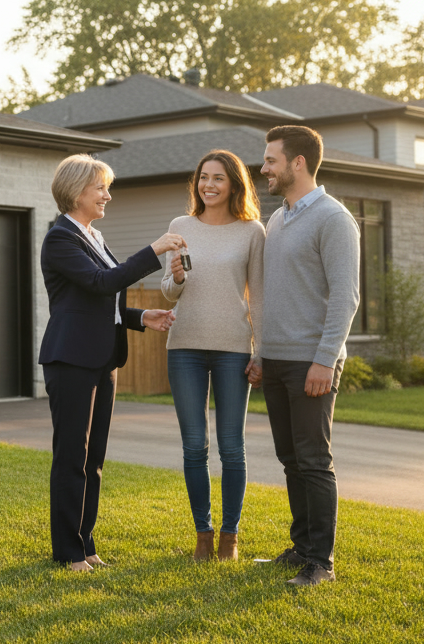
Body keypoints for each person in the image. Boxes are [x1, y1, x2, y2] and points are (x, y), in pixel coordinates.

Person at [39, 154, 184, 572]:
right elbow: (103, 282)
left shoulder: (94, 235)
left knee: (94, 458)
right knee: (72, 456)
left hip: (103, 359)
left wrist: (140, 317)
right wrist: (155, 249)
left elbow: (103, 297)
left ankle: (85, 544)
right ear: (76, 191)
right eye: (100, 187)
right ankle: (67, 552)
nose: (108, 195)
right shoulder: (60, 238)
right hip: (70, 359)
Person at [253, 125, 360, 586]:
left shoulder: (334, 219)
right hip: (274, 360)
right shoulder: (278, 219)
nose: (264, 168)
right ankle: (300, 549)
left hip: (311, 360)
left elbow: (345, 297)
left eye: (271, 160)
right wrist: (260, 351)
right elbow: (270, 293)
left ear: (298, 162)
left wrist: (324, 359)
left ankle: (322, 562)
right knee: (290, 458)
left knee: (314, 459)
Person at [160, 150, 265, 563]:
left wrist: (263, 351)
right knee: (193, 446)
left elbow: (259, 297)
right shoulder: (180, 226)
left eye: (219, 178)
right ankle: (203, 537)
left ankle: (229, 539)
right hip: (184, 345)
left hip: (233, 349)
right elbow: (168, 290)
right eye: (204, 177)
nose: (209, 185)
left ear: (234, 185)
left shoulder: (252, 231)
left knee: (232, 447)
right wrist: (177, 277)